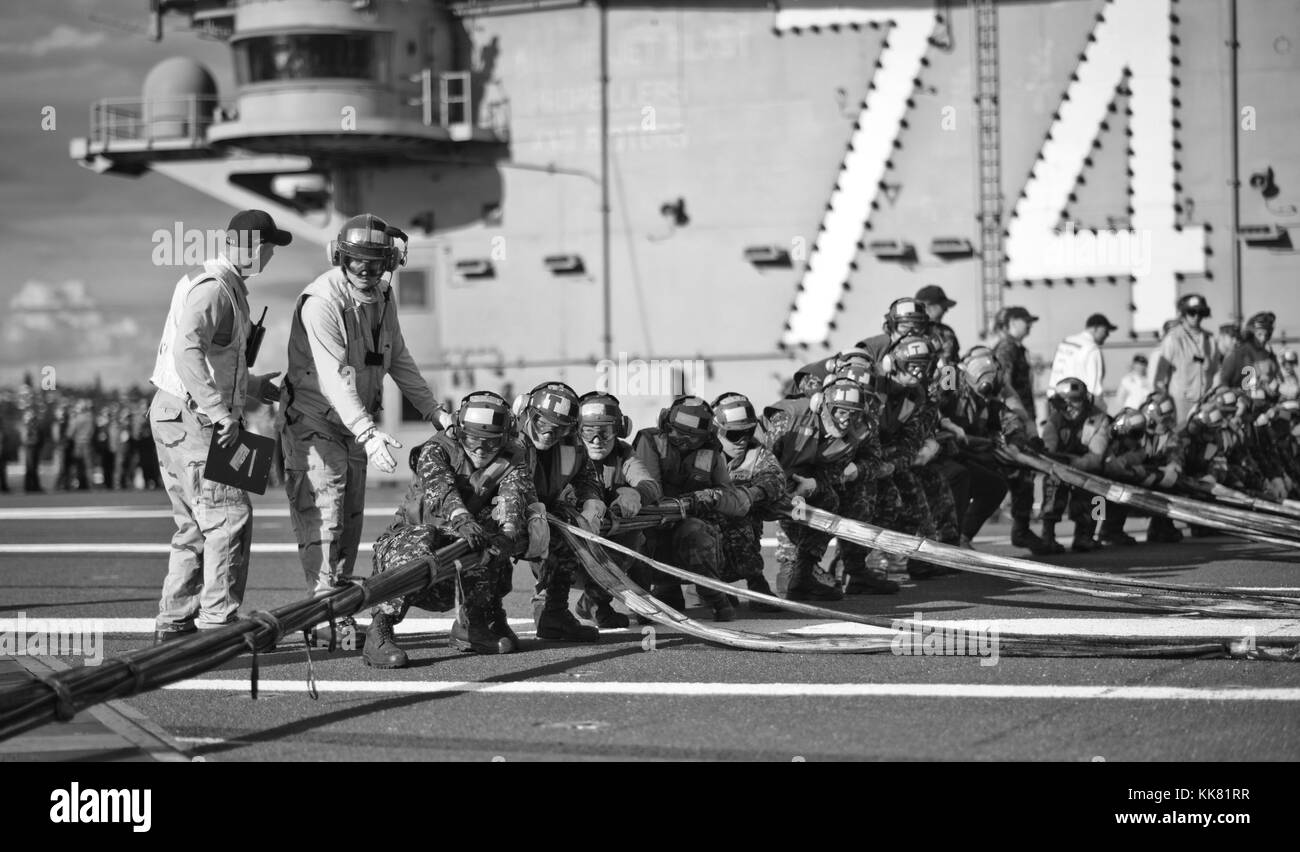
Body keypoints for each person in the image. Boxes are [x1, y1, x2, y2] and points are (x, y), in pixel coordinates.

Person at [280, 213, 449, 645]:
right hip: (315, 424)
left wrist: (434, 412)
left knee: (350, 520)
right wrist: (369, 433)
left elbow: (398, 359)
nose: (367, 271)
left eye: (377, 263)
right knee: (326, 517)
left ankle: (336, 606)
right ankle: (323, 614)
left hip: (353, 426)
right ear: (341, 257)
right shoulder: (321, 302)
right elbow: (333, 376)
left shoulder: (382, 298)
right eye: (358, 262)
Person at [148, 209, 287, 642]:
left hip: (174, 413)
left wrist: (254, 386)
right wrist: (222, 413)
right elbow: (188, 351)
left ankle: (175, 621)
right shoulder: (217, 291)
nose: (270, 256)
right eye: (269, 247)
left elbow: (209, 361)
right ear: (258, 248)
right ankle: (217, 626)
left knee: (192, 523)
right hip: (198, 419)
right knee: (228, 516)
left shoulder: (207, 283)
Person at [365, 391, 540, 667]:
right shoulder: (436, 450)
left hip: (462, 552)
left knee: (497, 539)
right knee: (418, 542)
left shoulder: (514, 458)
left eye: (491, 442)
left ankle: (473, 623)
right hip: (414, 545)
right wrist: (461, 519)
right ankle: (380, 630)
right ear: (459, 432)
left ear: (505, 437)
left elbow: (513, 497)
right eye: (472, 439)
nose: (480, 449)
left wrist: (507, 535)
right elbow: (441, 490)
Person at [636, 396, 751, 618]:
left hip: (685, 525)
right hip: (649, 523)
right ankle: (638, 600)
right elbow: (649, 493)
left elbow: (736, 502)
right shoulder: (650, 441)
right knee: (639, 537)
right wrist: (683, 503)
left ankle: (715, 597)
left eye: (690, 437)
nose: (678, 439)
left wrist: (711, 497)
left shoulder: (711, 452)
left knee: (696, 532)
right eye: (674, 431)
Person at [511, 381, 604, 641]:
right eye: (543, 424)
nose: (550, 433)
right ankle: (477, 620)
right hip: (498, 516)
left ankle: (554, 614)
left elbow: (588, 481)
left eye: (560, 428)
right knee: (488, 556)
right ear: (526, 412)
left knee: (568, 535)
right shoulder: (507, 442)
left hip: (542, 517)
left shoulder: (572, 446)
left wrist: (592, 506)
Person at [573, 391, 662, 625]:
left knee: (639, 533)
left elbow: (650, 484)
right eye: (588, 432)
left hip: (605, 534)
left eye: (605, 432)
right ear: (576, 430)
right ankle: (544, 603)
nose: (596, 441)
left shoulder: (623, 453)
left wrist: (636, 493)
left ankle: (597, 602)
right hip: (568, 534)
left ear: (620, 430)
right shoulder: (566, 452)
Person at [707, 392, 785, 610]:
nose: (742, 441)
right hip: (706, 523)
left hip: (743, 525)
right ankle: (706, 586)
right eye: (734, 435)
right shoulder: (702, 453)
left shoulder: (756, 452)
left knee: (744, 515)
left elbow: (776, 478)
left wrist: (753, 494)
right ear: (717, 431)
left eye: (748, 432)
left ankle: (756, 582)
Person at [1039, 377, 1111, 553]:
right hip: (1061, 467)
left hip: (1088, 468)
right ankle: (1047, 535)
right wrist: (1058, 463)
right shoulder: (1055, 420)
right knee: (1052, 483)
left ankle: (1087, 535)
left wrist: (1073, 463)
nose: (1070, 407)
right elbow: (1048, 447)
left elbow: (1096, 456)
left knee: (1098, 493)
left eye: (1075, 401)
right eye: (1065, 402)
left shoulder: (1100, 419)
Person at [1153, 294, 1217, 427]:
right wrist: (1164, 405)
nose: (1196, 316)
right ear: (1183, 314)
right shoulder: (1173, 339)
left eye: (1200, 312)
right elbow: (1160, 377)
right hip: (1179, 405)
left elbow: (1216, 372)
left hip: (1206, 404)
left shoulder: (1210, 340)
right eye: (1192, 312)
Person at [1049, 313, 1117, 411]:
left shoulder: (1065, 342)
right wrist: (1100, 411)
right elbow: (1095, 388)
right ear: (1095, 328)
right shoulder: (1092, 349)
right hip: (1077, 405)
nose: (1107, 335)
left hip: (1055, 399)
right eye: (1105, 331)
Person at [1218, 311, 1280, 395]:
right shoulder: (1238, 355)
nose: (1263, 339)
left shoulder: (1269, 356)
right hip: (1242, 402)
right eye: (1259, 334)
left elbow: (1278, 379)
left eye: (1267, 335)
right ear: (1251, 333)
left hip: (1266, 403)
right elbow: (1223, 384)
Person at [855, 297, 932, 364]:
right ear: (890, 327)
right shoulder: (873, 348)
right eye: (904, 327)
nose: (910, 334)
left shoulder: (931, 350)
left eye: (916, 328)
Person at [916, 284, 961, 356]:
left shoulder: (947, 331)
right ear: (927, 306)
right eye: (943, 306)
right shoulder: (912, 331)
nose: (946, 310)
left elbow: (955, 360)